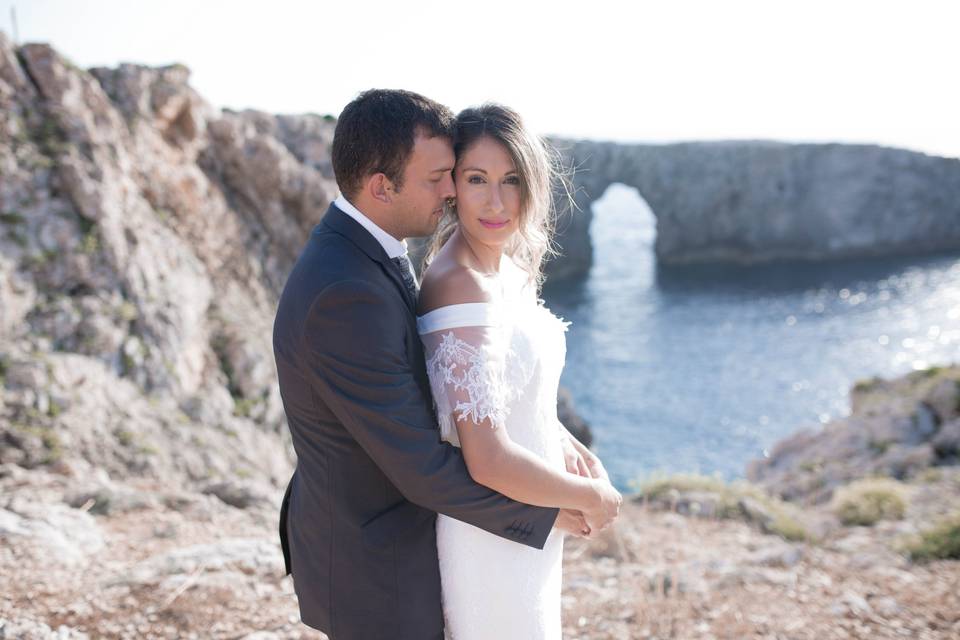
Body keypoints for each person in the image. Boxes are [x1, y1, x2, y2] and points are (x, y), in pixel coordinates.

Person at [273, 89, 621, 640]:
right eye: (445, 177)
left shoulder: (370, 252)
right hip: (379, 553)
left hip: (436, 527)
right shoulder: (346, 291)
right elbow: (422, 466)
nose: (452, 191)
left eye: (507, 179)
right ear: (381, 186)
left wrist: (559, 446)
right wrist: (558, 507)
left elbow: (469, 392)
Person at [417, 103, 615, 639]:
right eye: (477, 179)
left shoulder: (508, 268)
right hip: (490, 540)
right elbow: (487, 457)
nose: (497, 201)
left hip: (530, 524)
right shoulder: (460, 284)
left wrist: (565, 440)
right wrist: (589, 498)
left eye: (512, 179)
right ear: (452, 183)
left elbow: (510, 393)